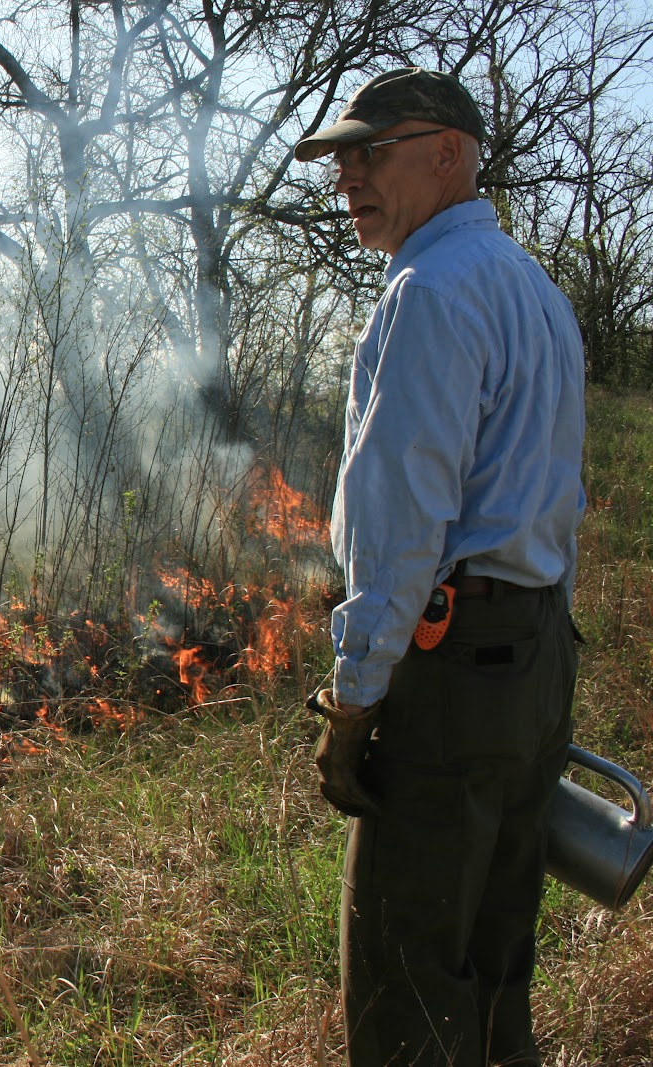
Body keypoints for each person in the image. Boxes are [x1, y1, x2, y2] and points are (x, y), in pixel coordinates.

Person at [295, 68, 586, 1066]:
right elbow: (550, 494)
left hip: (451, 665)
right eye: (339, 161)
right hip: (536, 653)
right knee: (495, 949)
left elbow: (401, 522)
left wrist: (355, 700)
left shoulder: (427, 291)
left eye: (369, 151)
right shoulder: (535, 291)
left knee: (407, 967)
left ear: (449, 152)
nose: (347, 177)